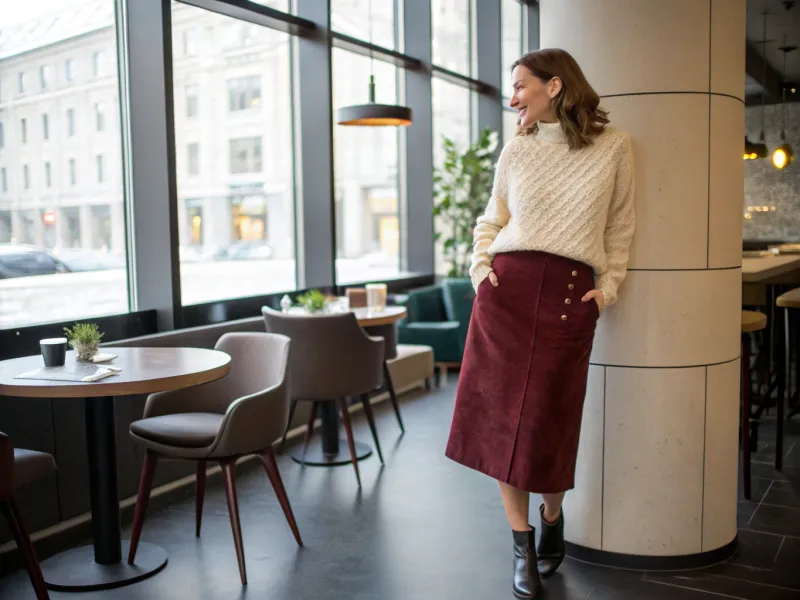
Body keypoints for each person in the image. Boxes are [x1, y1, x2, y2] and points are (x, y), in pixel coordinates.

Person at [444, 48, 635, 599]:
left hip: (571, 298)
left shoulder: (613, 147)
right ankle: (521, 544)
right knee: (506, 421)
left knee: (550, 418)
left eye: (520, 87)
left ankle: (552, 514)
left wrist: (609, 289)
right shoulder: (516, 150)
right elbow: (491, 220)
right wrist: (481, 270)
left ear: (555, 86)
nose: (512, 99)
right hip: (507, 293)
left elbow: (620, 228)